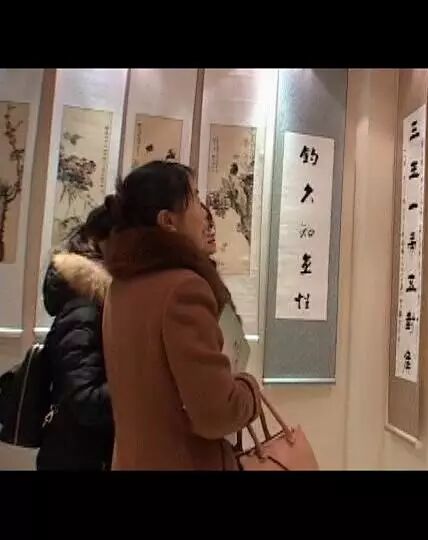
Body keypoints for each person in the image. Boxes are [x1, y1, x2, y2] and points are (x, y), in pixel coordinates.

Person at [102, 160, 260, 470]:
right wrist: (250, 389)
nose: (205, 212)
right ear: (168, 221)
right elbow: (217, 413)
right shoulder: (184, 289)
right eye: (196, 198)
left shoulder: (120, 287)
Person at [36, 201, 115, 470]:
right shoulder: (84, 309)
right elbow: (86, 400)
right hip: (78, 459)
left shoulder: (93, 305)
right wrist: (141, 384)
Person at [200, 202, 250, 374]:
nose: (211, 232)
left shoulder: (210, 273)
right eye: (204, 228)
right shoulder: (191, 282)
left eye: (211, 225)